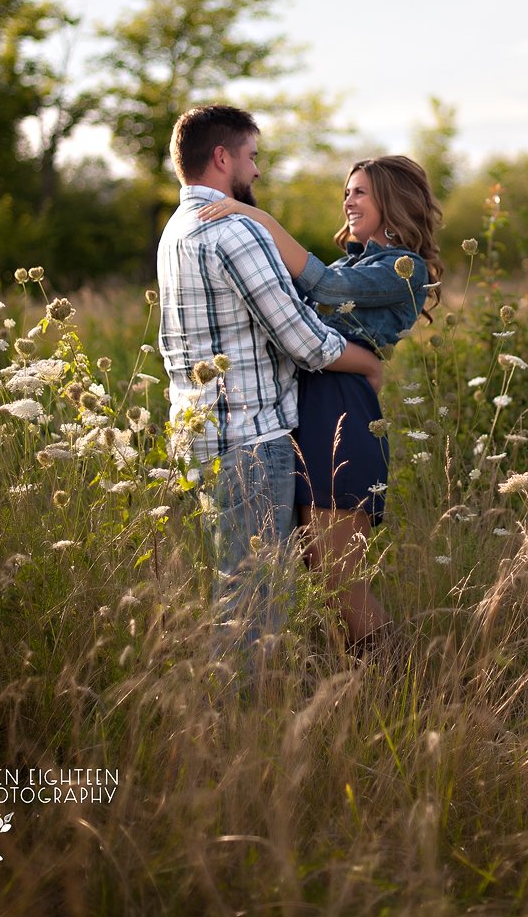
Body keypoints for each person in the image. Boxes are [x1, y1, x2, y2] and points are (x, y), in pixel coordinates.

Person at [156, 105, 383, 648]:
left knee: (240, 590)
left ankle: (234, 718)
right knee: (254, 603)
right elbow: (305, 341)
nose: (256, 171)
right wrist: (367, 361)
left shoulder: (174, 230)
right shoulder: (235, 230)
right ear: (221, 157)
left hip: (201, 438)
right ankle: (236, 724)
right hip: (250, 441)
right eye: (251, 157)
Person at [198, 155, 443, 655]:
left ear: (392, 202)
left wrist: (258, 218)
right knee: (315, 570)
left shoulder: (404, 270)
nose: (348, 202)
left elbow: (326, 289)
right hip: (306, 411)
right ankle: (357, 685)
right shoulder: (350, 262)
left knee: (340, 580)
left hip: (342, 411)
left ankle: (400, 684)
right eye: (346, 192)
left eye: (360, 193)